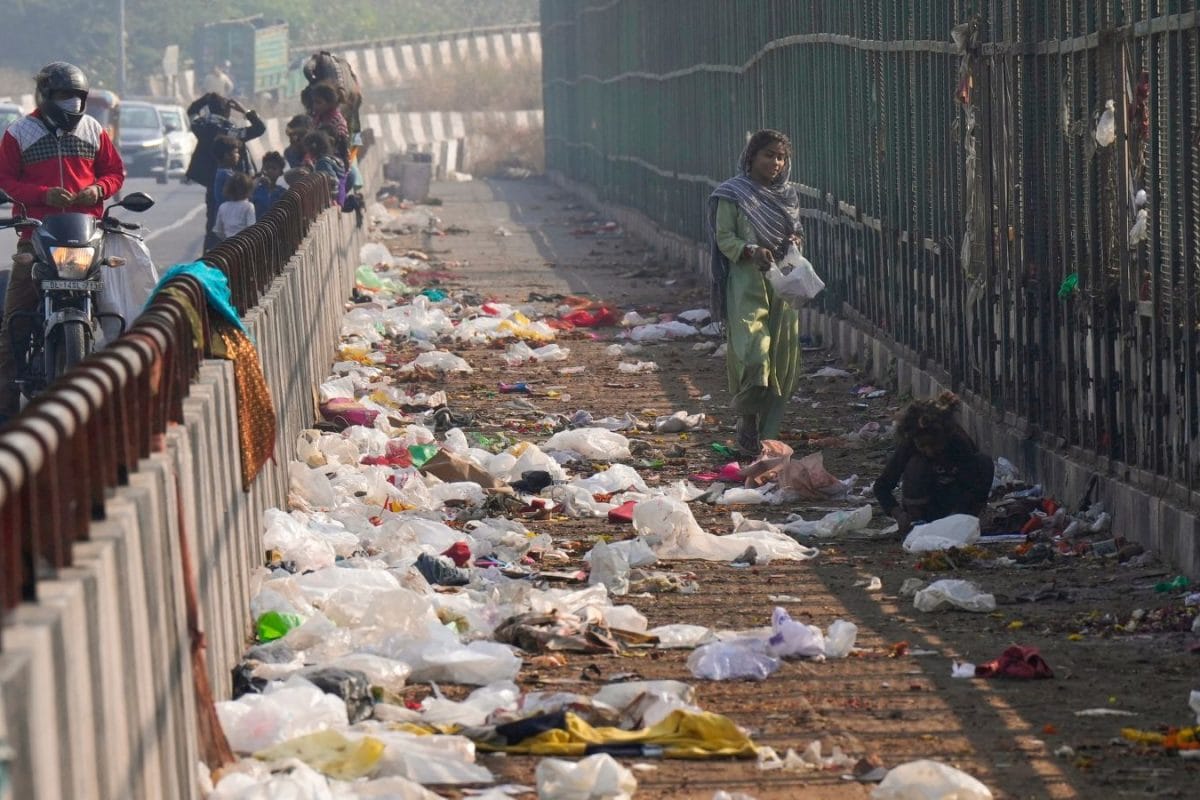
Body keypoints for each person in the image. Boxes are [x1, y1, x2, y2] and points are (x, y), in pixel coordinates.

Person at [0, 62, 124, 422]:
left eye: (76, 96)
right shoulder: (18, 134)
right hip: (36, 236)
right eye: (63, 96)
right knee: (14, 321)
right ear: (47, 96)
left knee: (123, 310)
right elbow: (6, 180)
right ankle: (6, 406)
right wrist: (42, 194)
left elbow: (114, 172)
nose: (71, 103)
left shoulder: (93, 129)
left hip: (86, 235)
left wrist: (97, 190)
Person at [708, 129, 803, 455]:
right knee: (753, 354)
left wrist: (793, 244)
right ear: (751, 157)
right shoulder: (731, 194)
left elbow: (795, 232)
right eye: (768, 155)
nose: (775, 162)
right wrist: (750, 249)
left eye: (781, 157)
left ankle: (766, 442)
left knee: (780, 361)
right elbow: (724, 238)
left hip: (782, 285)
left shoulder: (787, 196)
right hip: (746, 285)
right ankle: (747, 416)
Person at [873, 392, 995, 536]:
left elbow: (973, 481)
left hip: (955, 504)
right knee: (916, 464)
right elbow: (882, 486)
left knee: (984, 462)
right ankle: (917, 523)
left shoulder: (959, 442)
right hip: (923, 507)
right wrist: (899, 515)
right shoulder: (908, 445)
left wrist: (957, 516)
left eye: (934, 444)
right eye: (922, 445)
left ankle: (967, 521)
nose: (929, 451)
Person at [185, 92, 265, 249]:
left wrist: (205, 98)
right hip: (234, 184)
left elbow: (191, 112)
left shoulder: (201, 126)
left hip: (211, 182)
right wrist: (245, 111)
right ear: (227, 111)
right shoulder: (230, 132)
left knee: (213, 224)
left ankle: (208, 258)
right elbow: (259, 128)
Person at [302, 130, 346, 203]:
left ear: (313, 149)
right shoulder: (333, 159)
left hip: (333, 200)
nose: (307, 153)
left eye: (307, 150)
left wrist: (332, 200)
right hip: (341, 197)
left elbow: (333, 181)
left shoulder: (322, 162)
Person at [213, 172, 255, 242]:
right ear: (248, 190)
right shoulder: (249, 206)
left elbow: (218, 230)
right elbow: (251, 230)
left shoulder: (223, 207)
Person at [252, 151, 287, 219]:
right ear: (262, 169)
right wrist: (257, 180)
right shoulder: (255, 189)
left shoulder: (282, 192)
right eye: (267, 168)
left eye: (274, 168)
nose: (270, 171)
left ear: (281, 172)